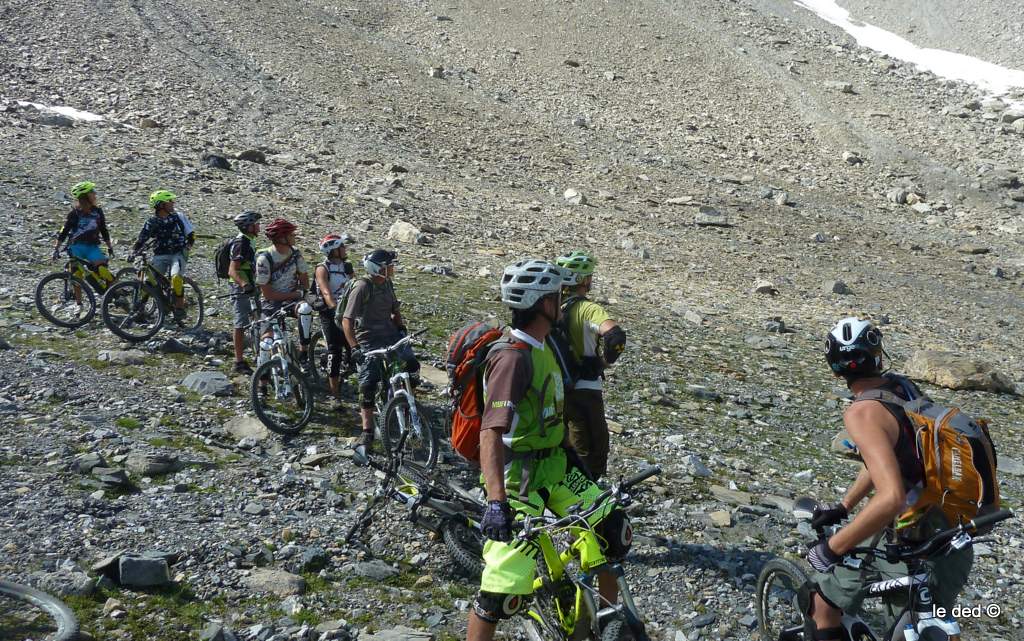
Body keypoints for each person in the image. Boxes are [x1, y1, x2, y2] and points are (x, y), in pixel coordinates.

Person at [467, 259, 633, 641]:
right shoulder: (513, 358)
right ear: (542, 304)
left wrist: (576, 461)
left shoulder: (545, 347)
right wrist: (496, 502)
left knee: (613, 530)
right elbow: (490, 433)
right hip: (517, 480)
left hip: (556, 466)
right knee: (497, 596)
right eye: (556, 297)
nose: (562, 303)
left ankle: (598, 623)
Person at [805, 317, 972, 641]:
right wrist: (845, 504)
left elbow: (891, 496)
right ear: (879, 355)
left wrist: (831, 549)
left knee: (823, 609)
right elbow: (891, 456)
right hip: (954, 527)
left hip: (908, 535)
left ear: (835, 368)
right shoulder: (902, 388)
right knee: (936, 623)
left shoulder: (861, 412)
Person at [554, 251, 626, 480]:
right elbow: (616, 338)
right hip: (586, 388)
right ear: (583, 280)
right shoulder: (588, 309)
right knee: (593, 447)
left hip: (559, 386)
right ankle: (586, 494)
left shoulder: (556, 308)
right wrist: (604, 363)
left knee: (567, 440)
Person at [341, 249, 418, 460]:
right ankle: (367, 431)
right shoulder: (362, 287)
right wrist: (354, 348)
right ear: (379, 268)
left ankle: (406, 406)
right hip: (368, 340)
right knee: (367, 383)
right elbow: (346, 321)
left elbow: (395, 310)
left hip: (391, 335)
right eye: (389, 266)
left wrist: (401, 328)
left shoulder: (387, 284)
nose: (393, 269)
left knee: (412, 367)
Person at [254, 218, 314, 369]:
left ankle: (304, 352)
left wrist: (302, 293)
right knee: (266, 344)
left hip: (291, 301)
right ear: (282, 238)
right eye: (291, 234)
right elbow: (268, 295)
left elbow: (304, 279)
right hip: (270, 304)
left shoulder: (295, 254)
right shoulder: (264, 259)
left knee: (305, 310)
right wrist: (296, 295)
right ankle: (262, 384)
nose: (295, 237)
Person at [134, 190, 192, 321]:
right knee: (147, 282)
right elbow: (142, 238)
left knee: (176, 278)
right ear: (161, 205)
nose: (173, 203)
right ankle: (140, 309)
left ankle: (179, 308)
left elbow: (191, 235)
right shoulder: (152, 221)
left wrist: (188, 247)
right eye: (169, 201)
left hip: (178, 254)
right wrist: (134, 252)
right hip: (160, 254)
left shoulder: (178, 217)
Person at [313, 233, 355, 407]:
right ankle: (335, 396)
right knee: (335, 351)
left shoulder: (347, 266)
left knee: (355, 347)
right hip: (330, 313)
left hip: (347, 312)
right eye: (342, 246)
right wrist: (335, 310)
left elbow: (355, 287)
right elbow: (325, 292)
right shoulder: (323, 268)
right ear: (334, 250)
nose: (345, 249)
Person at [54, 181, 115, 287]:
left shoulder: (98, 211)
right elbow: (64, 231)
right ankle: (79, 303)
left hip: (92, 247)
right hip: (76, 247)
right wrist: (56, 248)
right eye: (92, 192)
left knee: (102, 270)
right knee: (77, 275)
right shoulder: (74, 213)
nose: (95, 194)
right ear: (85, 196)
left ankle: (115, 293)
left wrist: (110, 247)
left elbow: (103, 230)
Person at [227, 211, 262, 374]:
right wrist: (244, 284)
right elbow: (232, 270)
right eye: (255, 224)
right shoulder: (242, 243)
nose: (258, 226)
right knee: (240, 322)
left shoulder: (249, 241)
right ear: (248, 226)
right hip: (241, 288)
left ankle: (259, 354)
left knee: (257, 319)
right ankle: (238, 361)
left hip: (250, 286)